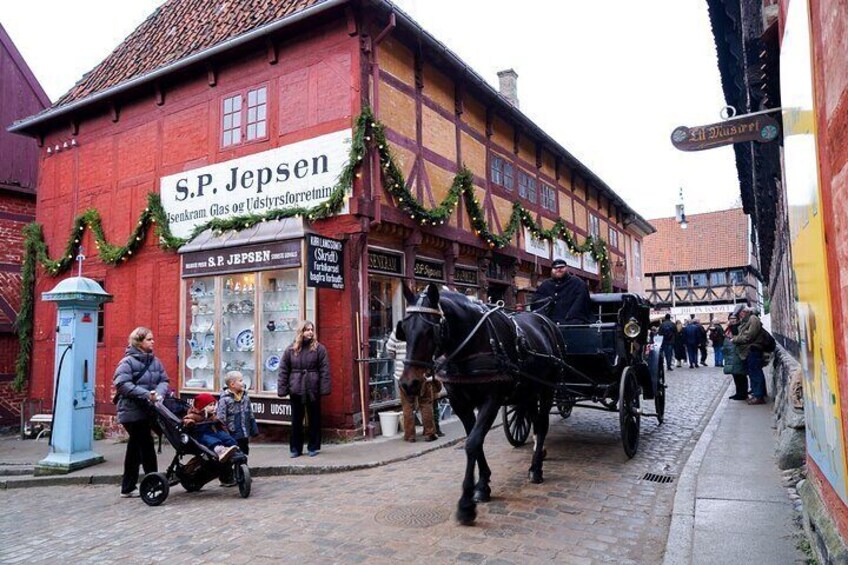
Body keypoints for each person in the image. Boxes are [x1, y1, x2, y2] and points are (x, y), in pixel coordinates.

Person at [113, 326, 170, 498]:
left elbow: (164, 379)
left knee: (135, 448)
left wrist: (159, 393)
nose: (153, 342)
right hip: (131, 411)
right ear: (138, 342)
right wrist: (146, 394)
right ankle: (153, 483)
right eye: (149, 339)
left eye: (152, 339)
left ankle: (128, 487)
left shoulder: (154, 361)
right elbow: (122, 384)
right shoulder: (127, 362)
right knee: (145, 446)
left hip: (148, 410)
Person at [278, 320, 331, 457]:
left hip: (313, 388)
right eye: (307, 330)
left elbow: (324, 370)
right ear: (301, 332)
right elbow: (284, 369)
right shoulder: (291, 350)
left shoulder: (319, 349)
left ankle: (313, 446)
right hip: (296, 388)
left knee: (314, 418)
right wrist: (283, 389)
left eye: (311, 329)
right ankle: (296, 448)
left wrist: (324, 388)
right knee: (296, 420)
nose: (310, 332)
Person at [386, 322, 439, 442]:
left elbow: (389, 349)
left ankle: (410, 435)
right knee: (426, 403)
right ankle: (429, 433)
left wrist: (398, 357)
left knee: (407, 406)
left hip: (403, 374)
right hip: (422, 374)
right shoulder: (424, 330)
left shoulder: (398, 330)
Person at [532, 258, 593, 324]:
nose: (558, 270)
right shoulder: (545, 284)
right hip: (549, 322)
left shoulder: (578, 283)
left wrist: (569, 317)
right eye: (555, 268)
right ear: (552, 270)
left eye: (561, 267)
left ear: (566, 268)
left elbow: (581, 303)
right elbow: (537, 301)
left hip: (571, 322)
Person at [182, 392, 239, 461]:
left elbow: (217, 421)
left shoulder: (211, 414)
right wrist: (190, 422)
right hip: (200, 435)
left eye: (214, 405)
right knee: (209, 439)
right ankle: (220, 450)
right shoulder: (194, 414)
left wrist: (219, 422)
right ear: (202, 407)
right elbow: (186, 419)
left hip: (211, 431)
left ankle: (233, 447)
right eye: (210, 405)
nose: (213, 407)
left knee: (223, 435)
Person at [732, 306, 768, 405]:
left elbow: (749, 336)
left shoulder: (753, 319)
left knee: (755, 373)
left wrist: (735, 339)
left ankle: (758, 396)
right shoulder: (747, 320)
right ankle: (756, 394)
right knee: (753, 373)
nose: (739, 317)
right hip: (749, 351)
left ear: (743, 312)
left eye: (740, 314)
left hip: (753, 350)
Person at [217, 371, 259, 455]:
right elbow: (221, 418)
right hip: (232, 434)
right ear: (232, 384)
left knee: (244, 452)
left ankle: (243, 467)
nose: (243, 383)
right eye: (240, 381)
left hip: (244, 433)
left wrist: (254, 428)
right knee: (234, 454)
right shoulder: (225, 399)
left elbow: (250, 413)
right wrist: (225, 434)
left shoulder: (245, 397)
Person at [722, 313, 749, 400]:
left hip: (738, 353)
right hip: (731, 354)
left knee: (740, 374)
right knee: (735, 374)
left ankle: (743, 393)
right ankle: (738, 392)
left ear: (737, 319)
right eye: (730, 318)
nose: (732, 320)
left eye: (733, 318)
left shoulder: (738, 327)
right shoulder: (728, 328)